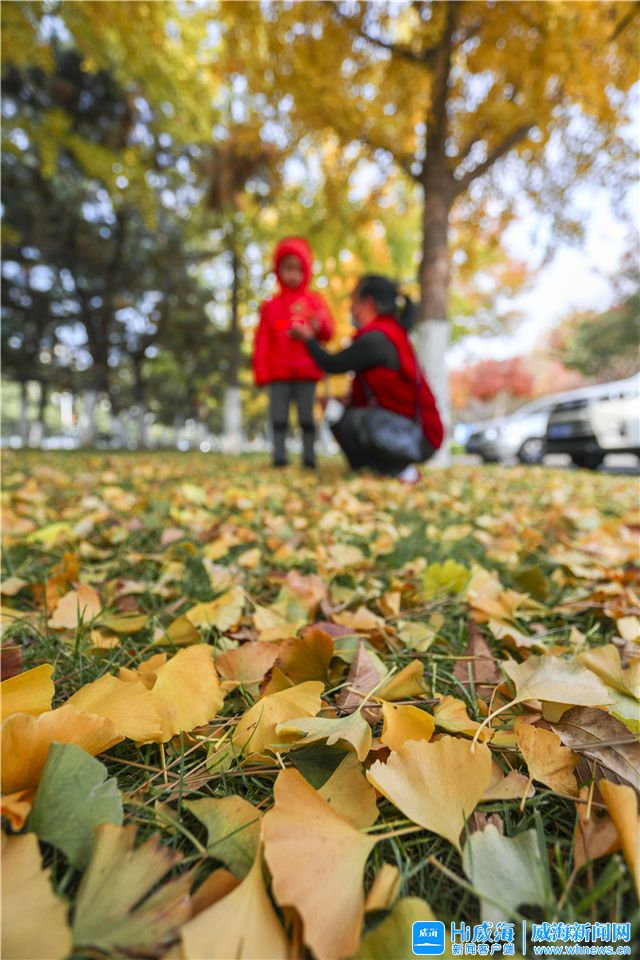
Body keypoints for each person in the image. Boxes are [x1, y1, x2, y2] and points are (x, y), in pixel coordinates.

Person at [290, 274, 443, 477]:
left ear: (367, 303)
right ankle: (381, 469)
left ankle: (396, 468)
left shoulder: (377, 338)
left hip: (417, 437)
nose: (350, 308)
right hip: (415, 431)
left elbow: (332, 364)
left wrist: (309, 339)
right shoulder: (392, 333)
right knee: (344, 413)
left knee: (346, 418)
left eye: (353, 301)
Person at [252, 237, 334, 468]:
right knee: (278, 418)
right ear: (279, 271)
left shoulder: (314, 302)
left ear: (305, 271)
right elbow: (262, 343)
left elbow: (328, 331)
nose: (292, 275)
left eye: (297, 269)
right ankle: (279, 458)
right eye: (288, 269)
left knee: (307, 418)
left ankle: (309, 458)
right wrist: (261, 372)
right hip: (278, 373)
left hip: (306, 371)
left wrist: (316, 325)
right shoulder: (271, 307)